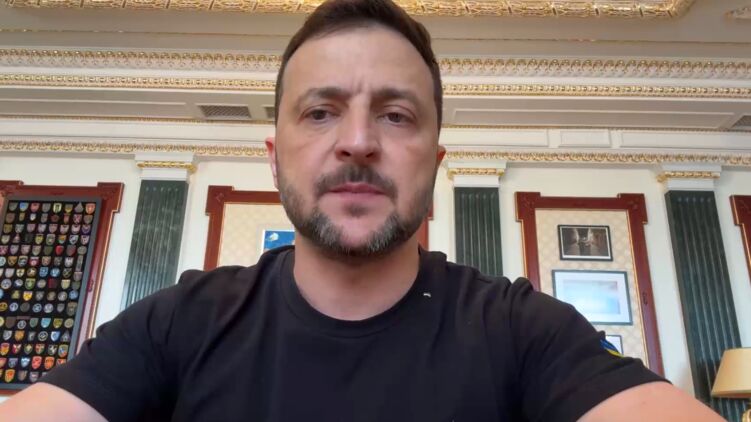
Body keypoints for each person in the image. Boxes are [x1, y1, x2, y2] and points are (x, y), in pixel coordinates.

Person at [0, 1, 725, 421]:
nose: (357, 141)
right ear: (274, 157)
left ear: (435, 162)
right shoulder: (176, 323)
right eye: (320, 112)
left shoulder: (522, 329)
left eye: (396, 115)